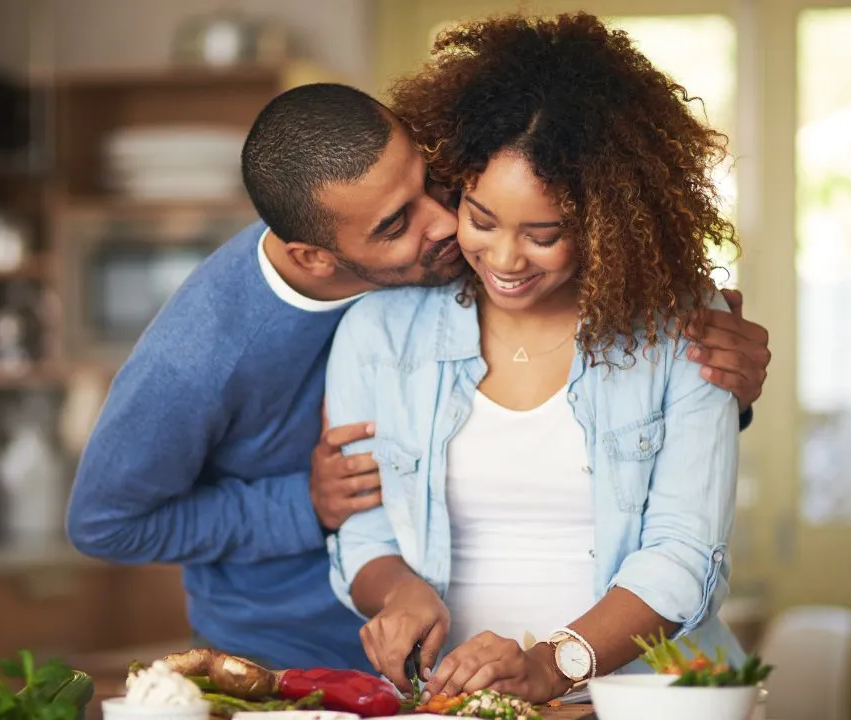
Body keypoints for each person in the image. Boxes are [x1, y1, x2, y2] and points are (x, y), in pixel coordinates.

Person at [67, 80, 770, 670]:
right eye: (398, 221)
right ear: (317, 257)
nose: (446, 223)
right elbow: (106, 524)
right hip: (289, 652)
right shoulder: (200, 354)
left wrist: (712, 383)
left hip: (465, 670)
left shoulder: (458, 249)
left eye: (434, 181)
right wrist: (304, 506)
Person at [324, 13, 746, 701]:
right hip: (460, 706)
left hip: (644, 701)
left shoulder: (684, 328)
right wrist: (396, 592)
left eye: (544, 234)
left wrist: (554, 664)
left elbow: (684, 555)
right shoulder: (379, 333)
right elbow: (362, 529)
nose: (505, 259)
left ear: (607, 223)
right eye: (481, 219)